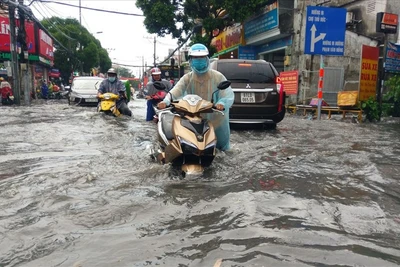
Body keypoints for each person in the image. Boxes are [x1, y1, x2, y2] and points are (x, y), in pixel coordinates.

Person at [157, 43, 234, 151]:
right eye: (196, 58)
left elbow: (227, 95)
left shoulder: (218, 77)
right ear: (191, 60)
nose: (199, 60)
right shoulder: (187, 78)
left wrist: (221, 103)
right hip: (192, 119)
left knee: (222, 151)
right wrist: (166, 101)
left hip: (216, 120)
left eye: (202, 57)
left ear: (207, 58)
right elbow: (175, 91)